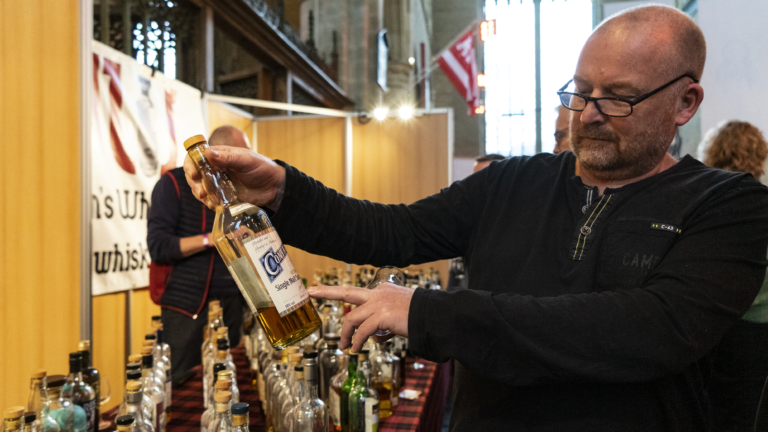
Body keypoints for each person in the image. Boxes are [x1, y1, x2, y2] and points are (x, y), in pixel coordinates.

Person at [185, 6, 768, 430]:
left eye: (617, 97)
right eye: (579, 92)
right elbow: (389, 229)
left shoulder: (728, 204)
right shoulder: (511, 182)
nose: (587, 115)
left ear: (685, 102)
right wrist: (281, 189)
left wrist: (429, 313)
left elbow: (645, 329)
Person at [147, 125, 249, 384]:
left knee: (229, 381)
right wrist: (211, 239)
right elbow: (159, 247)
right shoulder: (172, 184)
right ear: (219, 152)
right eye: (239, 154)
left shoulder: (236, 187)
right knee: (183, 384)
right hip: (186, 307)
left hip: (232, 302)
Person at [699, 120, 768, 432]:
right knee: (749, 412)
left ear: (713, 152)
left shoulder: (706, 204)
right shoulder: (762, 201)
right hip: (758, 327)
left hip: (713, 324)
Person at [447, 154, 506, 293]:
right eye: (474, 179)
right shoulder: (467, 228)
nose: (476, 187)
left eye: (484, 179)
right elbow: (453, 284)